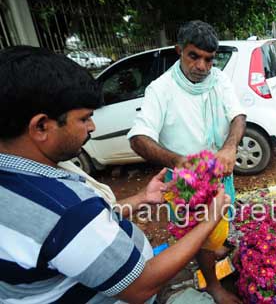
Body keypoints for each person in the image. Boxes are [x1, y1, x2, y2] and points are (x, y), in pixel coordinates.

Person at [0, 46, 230, 304]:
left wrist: (142, 198)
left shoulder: (17, 180)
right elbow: (141, 285)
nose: (92, 126)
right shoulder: (66, 210)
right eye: (84, 118)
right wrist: (210, 218)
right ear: (42, 126)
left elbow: (81, 229)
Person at [127, 20, 244, 304]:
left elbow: (238, 116)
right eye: (194, 56)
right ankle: (213, 286)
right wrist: (179, 161)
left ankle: (213, 248)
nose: (202, 66)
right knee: (196, 234)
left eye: (208, 59)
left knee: (217, 227)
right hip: (184, 183)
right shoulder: (161, 89)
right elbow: (138, 138)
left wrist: (229, 148)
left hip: (220, 174)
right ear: (179, 51)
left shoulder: (219, 79)